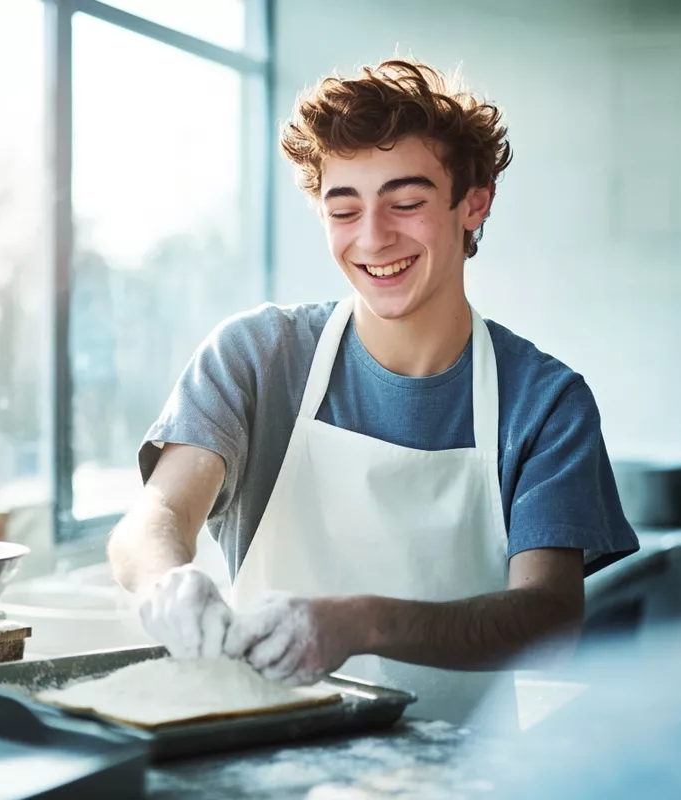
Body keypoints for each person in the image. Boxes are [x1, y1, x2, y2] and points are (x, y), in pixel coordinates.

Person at [106, 59, 639, 724]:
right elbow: (154, 519)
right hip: (269, 764)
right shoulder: (259, 358)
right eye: (344, 208)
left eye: (407, 202)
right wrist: (167, 582)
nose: (373, 236)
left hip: (461, 777)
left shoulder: (544, 402)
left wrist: (361, 622)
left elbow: (549, 617)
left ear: (473, 201)